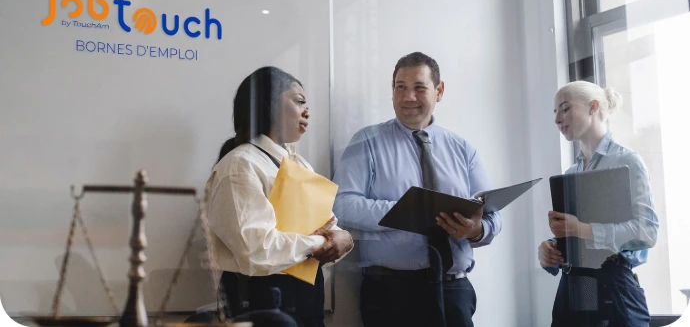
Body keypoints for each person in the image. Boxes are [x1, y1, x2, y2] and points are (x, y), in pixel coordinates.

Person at [332, 52, 502, 327]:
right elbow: (342, 205)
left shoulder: (462, 149)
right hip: (389, 293)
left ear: (439, 90)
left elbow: (491, 212)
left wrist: (476, 230)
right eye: (400, 87)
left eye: (419, 88)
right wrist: (409, 210)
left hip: (454, 291)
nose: (408, 97)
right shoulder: (366, 141)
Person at [206, 66, 353, 327]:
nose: (307, 112)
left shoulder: (300, 164)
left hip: (307, 298)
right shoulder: (240, 165)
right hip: (262, 303)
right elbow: (255, 249)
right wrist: (320, 242)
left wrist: (344, 239)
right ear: (269, 103)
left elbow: (329, 225)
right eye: (299, 102)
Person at [538, 81, 659, 327]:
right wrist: (550, 249)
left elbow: (647, 231)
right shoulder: (571, 173)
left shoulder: (627, 161)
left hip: (615, 287)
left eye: (565, 109)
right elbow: (574, 238)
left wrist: (581, 229)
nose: (557, 119)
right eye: (555, 112)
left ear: (593, 107)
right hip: (576, 288)